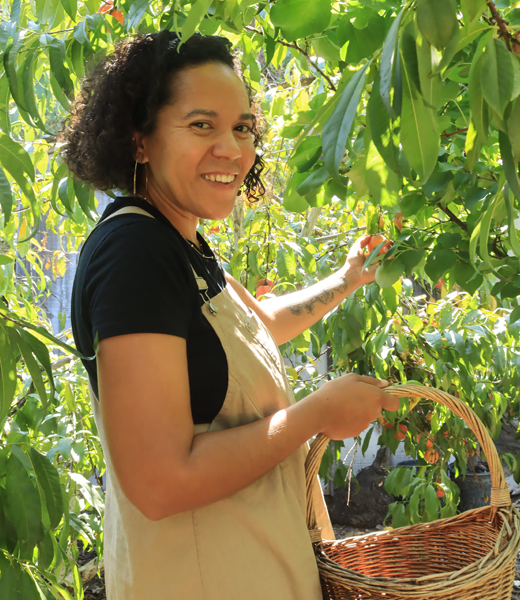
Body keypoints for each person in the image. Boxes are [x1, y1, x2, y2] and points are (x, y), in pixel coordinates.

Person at [64, 31, 399, 600]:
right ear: (139, 139)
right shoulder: (135, 254)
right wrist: (317, 412)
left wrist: (346, 281)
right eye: (202, 125)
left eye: (242, 127)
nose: (233, 149)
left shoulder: (179, 241)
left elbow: (252, 329)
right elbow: (159, 482)